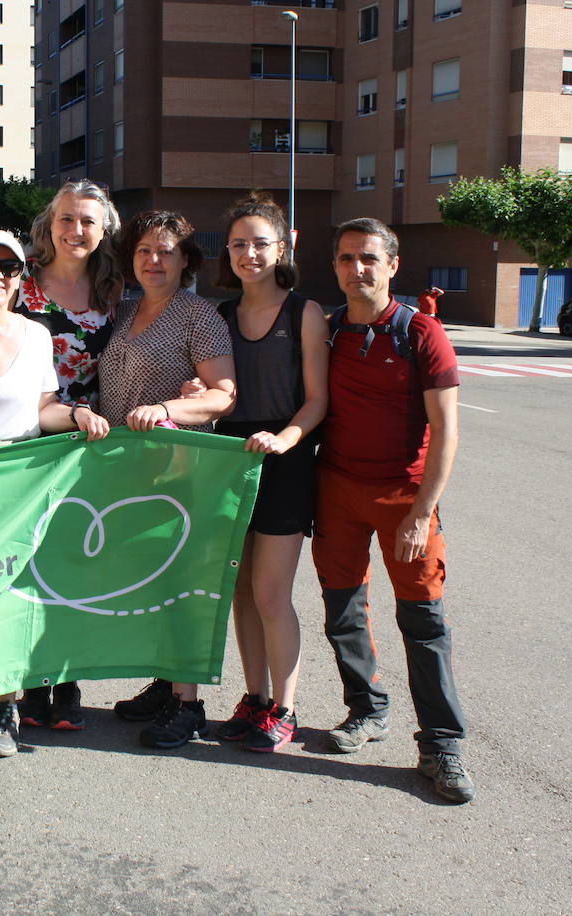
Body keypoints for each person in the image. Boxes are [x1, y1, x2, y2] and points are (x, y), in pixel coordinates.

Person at [0, 228, 110, 758]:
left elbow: (42, 409)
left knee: (8, 593)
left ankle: (4, 708)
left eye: (10, 269)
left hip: (18, 477)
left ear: (21, 277)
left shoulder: (34, 336)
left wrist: (75, 414)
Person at [317, 217, 474, 804]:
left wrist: (420, 513)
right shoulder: (329, 330)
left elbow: (447, 431)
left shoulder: (421, 332)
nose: (357, 269)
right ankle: (366, 709)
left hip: (406, 497)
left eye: (368, 258)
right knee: (343, 608)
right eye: (345, 258)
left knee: (424, 622)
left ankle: (442, 746)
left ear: (392, 265)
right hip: (337, 488)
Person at [98, 209, 237, 750]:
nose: (154, 261)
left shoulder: (197, 317)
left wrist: (167, 406)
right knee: (152, 580)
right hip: (124, 474)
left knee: (181, 584)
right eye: (144, 252)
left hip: (176, 473)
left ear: (186, 261)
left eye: (166, 252)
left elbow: (223, 393)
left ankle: (191, 705)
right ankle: (165, 681)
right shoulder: (124, 310)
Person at [199, 193, 330, 752]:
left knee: (272, 593)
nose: (249, 254)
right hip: (231, 457)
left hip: (285, 459)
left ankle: (286, 707)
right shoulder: (218, 315)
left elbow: (317, 400)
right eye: (238, 244)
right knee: (241, 594)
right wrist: (195, 394)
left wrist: (285, 440)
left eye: (260, 243)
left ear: (284, 246)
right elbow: (213, 391)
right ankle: (254, 700)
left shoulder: (305, 313)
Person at [12, 179, 123, 732]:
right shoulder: (18, 282)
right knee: (28, 558)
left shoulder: (115, 290)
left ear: (103, 229)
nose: (76, 230)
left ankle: (67, 675)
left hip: (94, 441)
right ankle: (29, 683)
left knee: (78, 558)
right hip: (30, 437)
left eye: (87, 221)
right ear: (48, 225)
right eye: (66, 219)